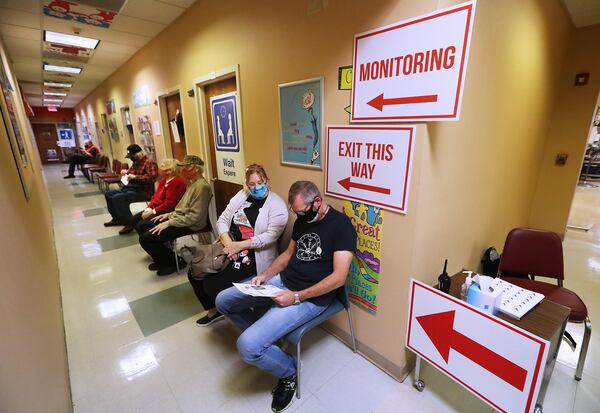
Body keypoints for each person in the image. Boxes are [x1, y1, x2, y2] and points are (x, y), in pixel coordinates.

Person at [215, 181, 357, 413]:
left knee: (248, 346)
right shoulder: (304, 220)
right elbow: (288, 255)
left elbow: (339, 278)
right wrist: (265, 276)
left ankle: (289, 371)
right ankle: (269, 341)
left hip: (311, 297)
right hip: (284, 282)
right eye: (295, 211)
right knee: (223, 300)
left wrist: (296, 297)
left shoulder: (341, 227)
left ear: (317, 203)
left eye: (301, 211)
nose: (298, 216)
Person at [188, 164, 288, 327]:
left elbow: (270, 236)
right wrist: (229, 245)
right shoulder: (242, 195)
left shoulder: (276, 205)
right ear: (246, 184)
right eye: (251, 184)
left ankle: (250, 323)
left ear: (267, 181)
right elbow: (222, 220)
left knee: (211, 284)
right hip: (230, 246)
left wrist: (239, 246)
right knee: (195, 272)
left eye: (260, 183)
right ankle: (214, 310)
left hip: (255, 256)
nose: (256, 187)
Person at [137, 155, 212, 276]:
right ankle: (162, 259)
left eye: (185, 168)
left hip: (191, 225)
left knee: (146, 239)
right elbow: (184, 208)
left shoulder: (202, 187)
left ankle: (173, 262)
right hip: (182, 220)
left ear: (195, 169)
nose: (182, 170)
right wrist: (169, 215)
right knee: (143, 227)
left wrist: (169, 222)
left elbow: (194, 217)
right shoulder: (193, 184)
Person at [103, 144, 158, 234]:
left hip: (143, 191)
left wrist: (135, 177)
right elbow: (130, 173)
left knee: (118, 198)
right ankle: (117, 219)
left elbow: (152, 178)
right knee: (108, 194)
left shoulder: (149, 162)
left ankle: (129, 224)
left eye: (132, 156)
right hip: (131, 188)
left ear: (138, 155)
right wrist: (126, 173)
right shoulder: (135, 163)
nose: (131, 158)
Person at [127, 158, 187, 235]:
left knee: (141, 225)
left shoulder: (177, 182)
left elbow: (170, 204)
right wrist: (149, 208)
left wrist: (153, 211)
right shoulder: (164, 180)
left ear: (169, 171)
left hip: (167, 211)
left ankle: (154, 240)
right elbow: (155, 197)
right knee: (134, 220)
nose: (158, 170)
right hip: (157, 208)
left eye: (161, 168)